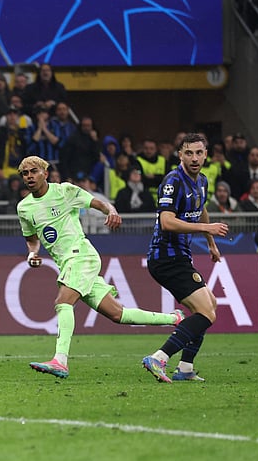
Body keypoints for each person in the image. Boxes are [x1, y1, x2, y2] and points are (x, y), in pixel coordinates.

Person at [17, 156, 182, 379]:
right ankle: (175, 319)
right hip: (67, 263)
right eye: (25, 174)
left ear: (45, 173)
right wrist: (33, 253)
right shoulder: (24, 208)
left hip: (81, 255)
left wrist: (111, 211)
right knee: (118, 314)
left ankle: (60, 361)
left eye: (33, 171)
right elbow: (31, 237)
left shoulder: (65, 191)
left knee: (63, 302)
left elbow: (97, 203)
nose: (29, 177)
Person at [140, 134, 230, 383]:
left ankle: (186, 368)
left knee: (209, 305)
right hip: (166, 258)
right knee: (206, 312)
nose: (194, 158)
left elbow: (201, 209)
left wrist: (212, 244)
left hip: (180, 257)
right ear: (180, 155)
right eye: (188, 153)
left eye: (199, 153)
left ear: (206, 154)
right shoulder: (172, 180)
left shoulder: (202, 181)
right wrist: (207, 231)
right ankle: (159, 357)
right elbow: (167, 222)